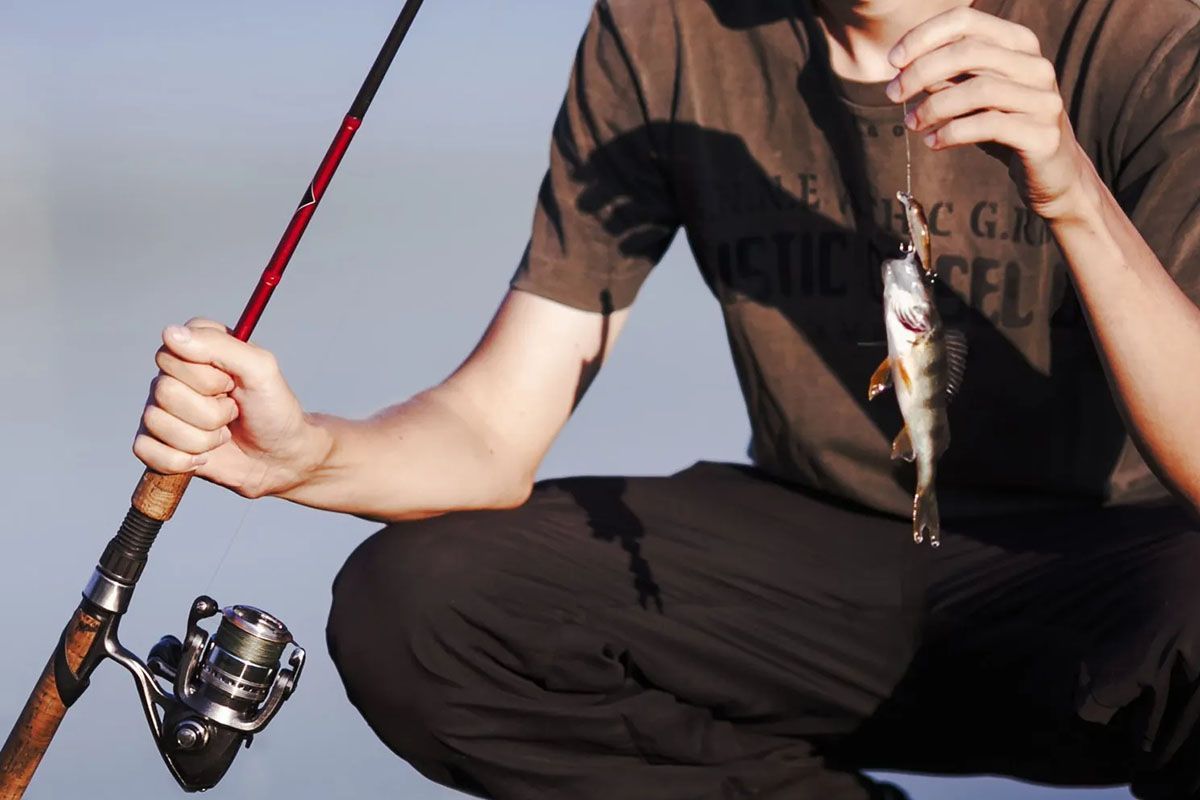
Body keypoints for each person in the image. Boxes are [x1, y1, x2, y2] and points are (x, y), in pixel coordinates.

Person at [134, 0, 1200, 797]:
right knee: (420, 606)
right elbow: (497, 429)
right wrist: (304, 454)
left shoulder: (1146, 29)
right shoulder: (666, 25)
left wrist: (1068, 186)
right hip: (819, 553)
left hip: (1109, 568)